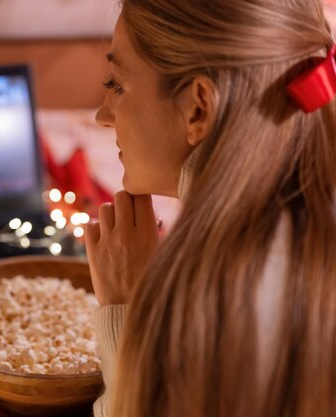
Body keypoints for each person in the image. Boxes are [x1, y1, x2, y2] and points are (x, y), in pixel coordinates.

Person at [85, 1, 336, 416]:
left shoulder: (213, 297)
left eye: (117, 86)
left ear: (198, 107)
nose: (101, 115)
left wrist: (129, 310)